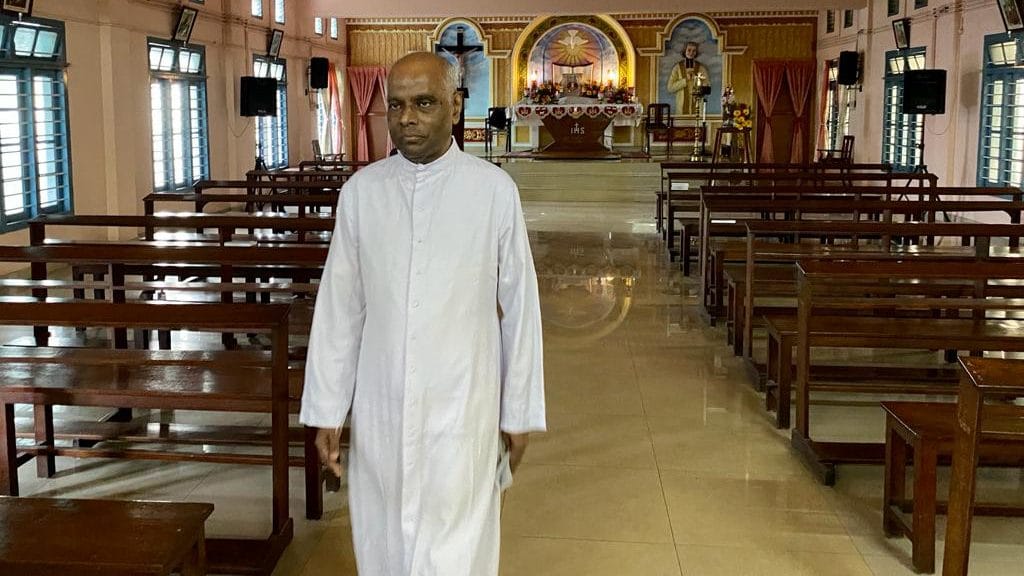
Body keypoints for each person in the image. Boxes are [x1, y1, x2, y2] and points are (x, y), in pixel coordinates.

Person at [299, 52, 546, 576]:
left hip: (464, 402)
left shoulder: (493, 191)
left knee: (458, 538)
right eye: (397, 105)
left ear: (455, 107)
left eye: (425, 103)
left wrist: (518, 411)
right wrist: (327, 407)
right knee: (384, 534)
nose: (407, 118)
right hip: (381, 401)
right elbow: (340, 308)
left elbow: (521, 307)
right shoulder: (361, 194)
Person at [666, 41, 709, 116]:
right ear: (684, 51)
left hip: (697, 109)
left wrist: (698, 83)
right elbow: (670, 88)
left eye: (694, 51)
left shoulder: (701, 68)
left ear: (696, 52)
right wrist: (685, 81)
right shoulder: (677, 68)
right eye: (689, 50)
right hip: (681, 111)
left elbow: (707, 88)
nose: (691, 53)